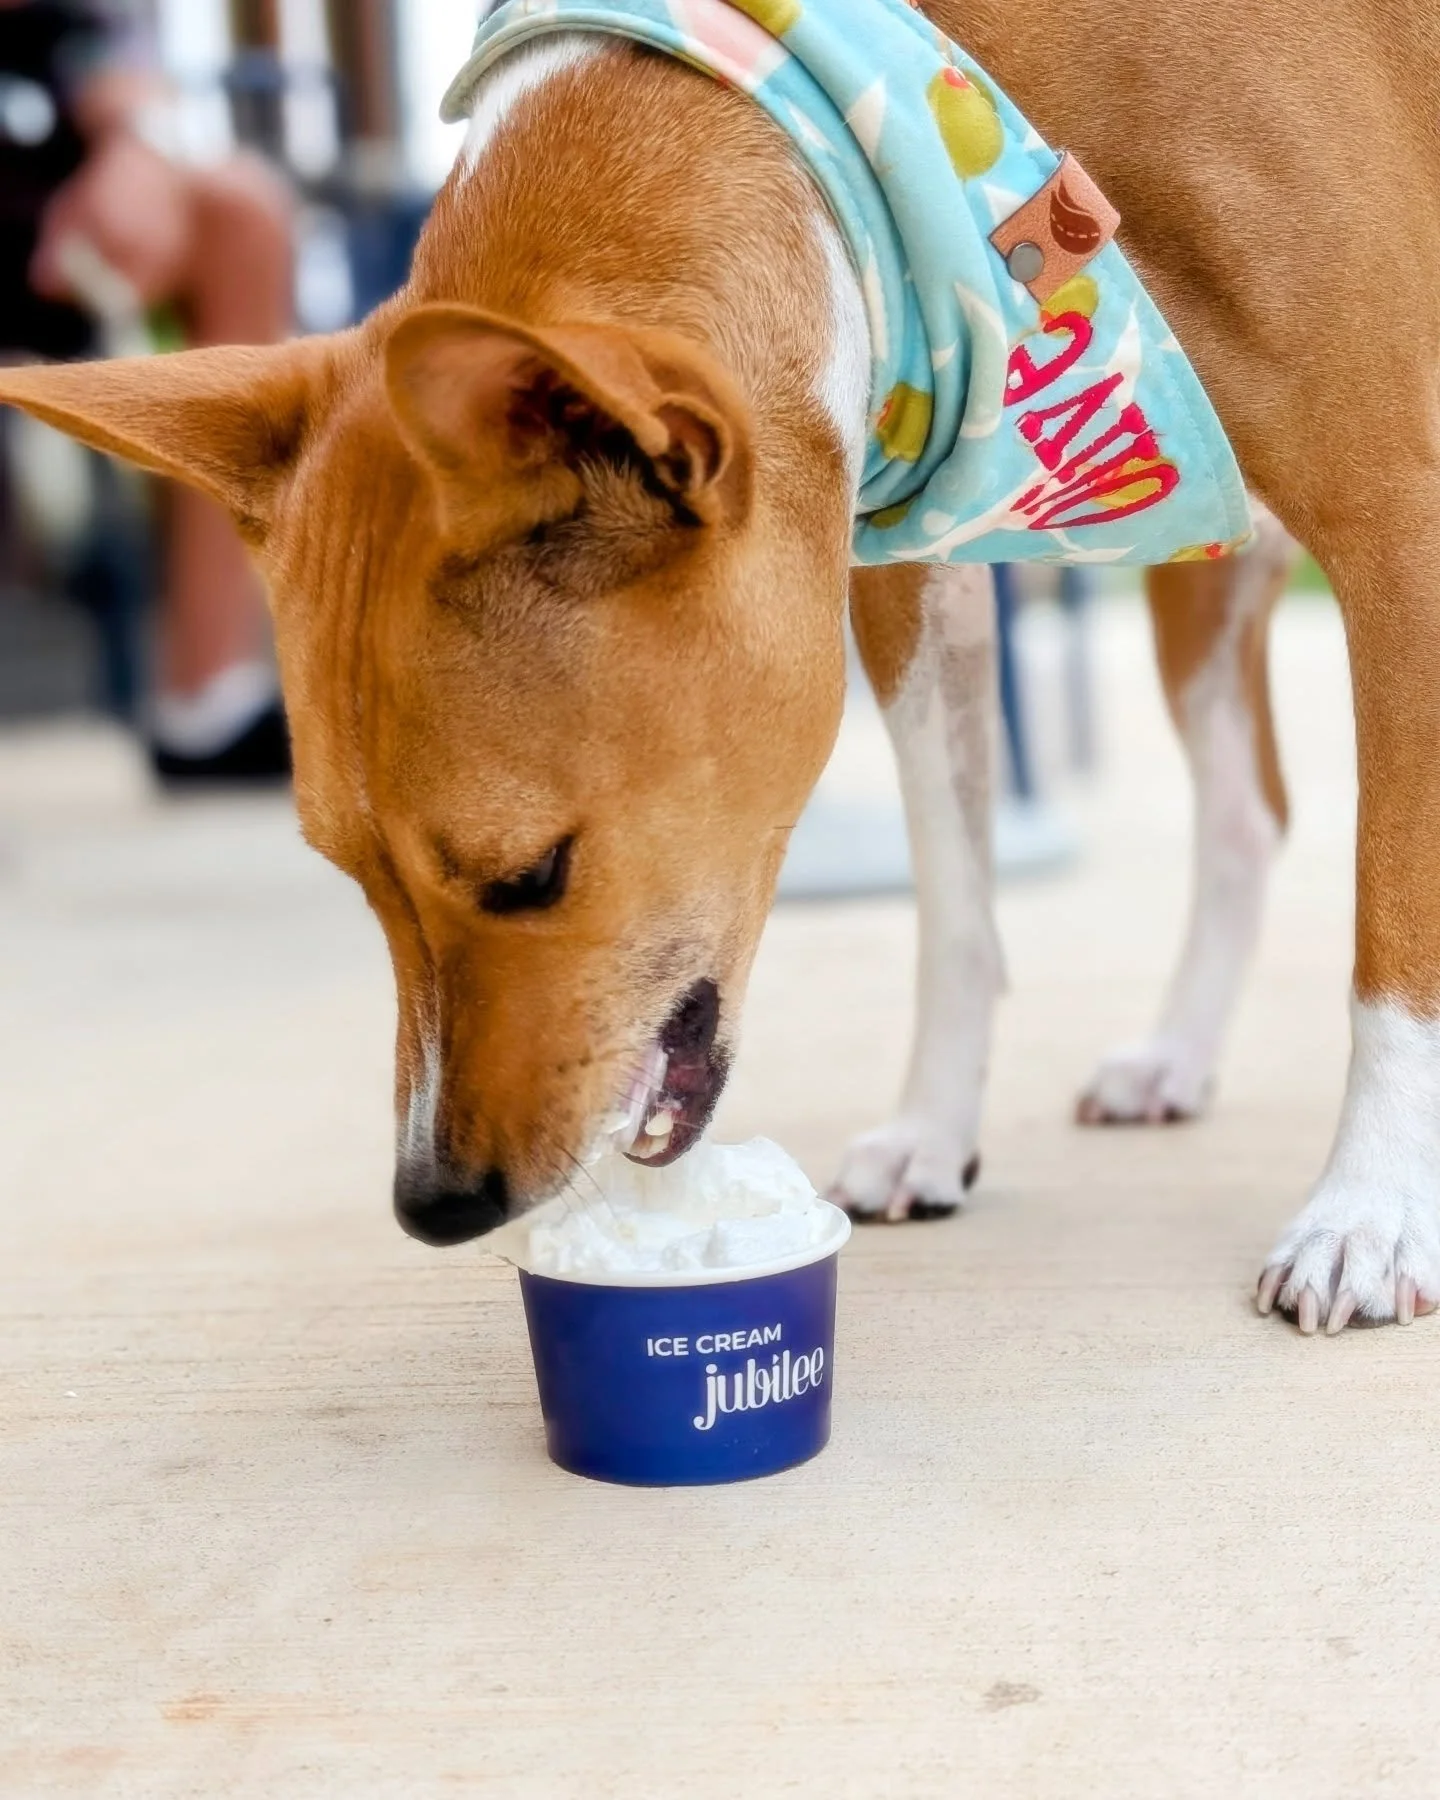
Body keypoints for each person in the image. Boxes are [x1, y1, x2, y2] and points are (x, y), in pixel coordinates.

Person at [0, 0, 294, 782]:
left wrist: (137, 150)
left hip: (56, 241)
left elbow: (111, 62)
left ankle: (205, 702)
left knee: (241, 209)